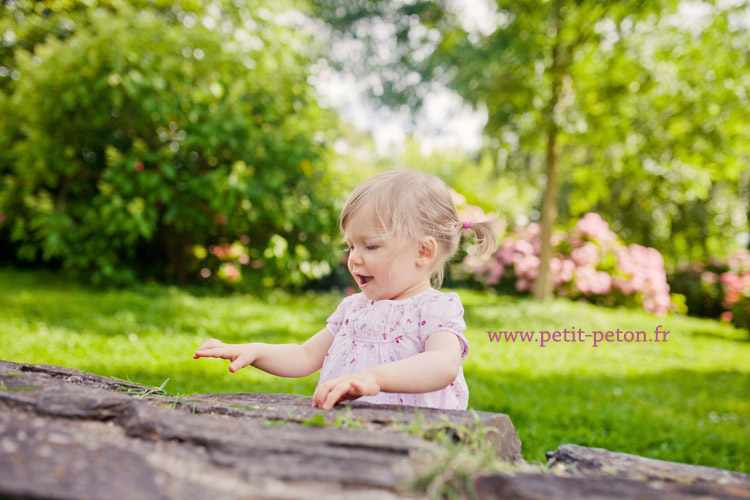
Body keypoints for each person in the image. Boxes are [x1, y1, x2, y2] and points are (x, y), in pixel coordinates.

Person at [193, 169, 497, 410]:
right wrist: (257, 351)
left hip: (416, 439)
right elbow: (304, 355)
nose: (354, 258)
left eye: (371, 245)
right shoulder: (353, 309)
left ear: (423, 251)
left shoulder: (432, 310)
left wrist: (376, 378)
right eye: (351, 245)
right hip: (349, 434)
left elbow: (443, 365)